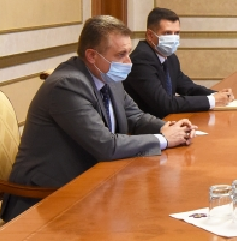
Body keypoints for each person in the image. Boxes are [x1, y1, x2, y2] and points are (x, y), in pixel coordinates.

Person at [1, 16, 195, 223]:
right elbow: (106, 145)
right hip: (45, 201)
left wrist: (168, 127)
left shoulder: (108, 76)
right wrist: (164, 139)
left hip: (92, 187)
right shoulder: (67, 86)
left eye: (128, 53)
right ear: (92, 55)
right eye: (121, 54)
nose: (128, 62)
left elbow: (135, 117)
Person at [123, 7, 234, 118]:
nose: (173, 38)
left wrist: (217, 95)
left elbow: (188, 88)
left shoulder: (170, 58)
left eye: (176, 33)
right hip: (145, 125)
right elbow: (164, 104)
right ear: (150, 36)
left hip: (166, 122)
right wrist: (212, 101)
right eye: (167, 33)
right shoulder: (141, 59)